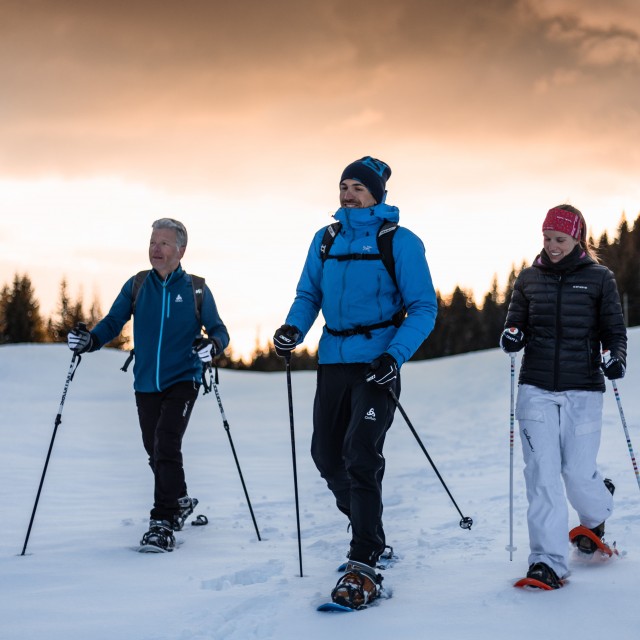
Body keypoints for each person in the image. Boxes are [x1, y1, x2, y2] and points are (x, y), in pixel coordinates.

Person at [273, 156, 437, 608]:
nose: (348, 193)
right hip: (332, 360)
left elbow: (423, 307)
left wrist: (393, 356)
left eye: (358, 188)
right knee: (326, 454)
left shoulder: (399, 242)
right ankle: (371, 530)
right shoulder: (325, 239)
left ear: (376, 195)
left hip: (376, 364)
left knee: (360, 453)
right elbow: (309, 294)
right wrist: (294, 328)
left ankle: (363, 558)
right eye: (344, 185)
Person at [67, 218, 229, 552]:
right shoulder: (138, 285)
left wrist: (211, 346)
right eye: (153, 242)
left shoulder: (196, 289)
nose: (156, 249)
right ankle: (179, 499)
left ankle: (163, 521)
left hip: (184, 378)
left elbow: (219, 331)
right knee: (154, 449)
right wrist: (89, 341)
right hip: (145, 381)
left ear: (180, 249)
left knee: (166, 442)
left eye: (164, 243)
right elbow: (113, 321)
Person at [500, 204, 627, 589]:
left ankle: (597, 507)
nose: (553, 246)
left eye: (560, 239)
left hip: (583, 389)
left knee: (576, 473)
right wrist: (512, 337)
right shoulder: (528, 279)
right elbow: (513, 324)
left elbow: (614, 331)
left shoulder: (600, 279)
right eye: (547, 239)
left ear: (577, 239)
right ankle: (547, 561)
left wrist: (615, 358)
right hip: (535, 388)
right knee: (542, 475)